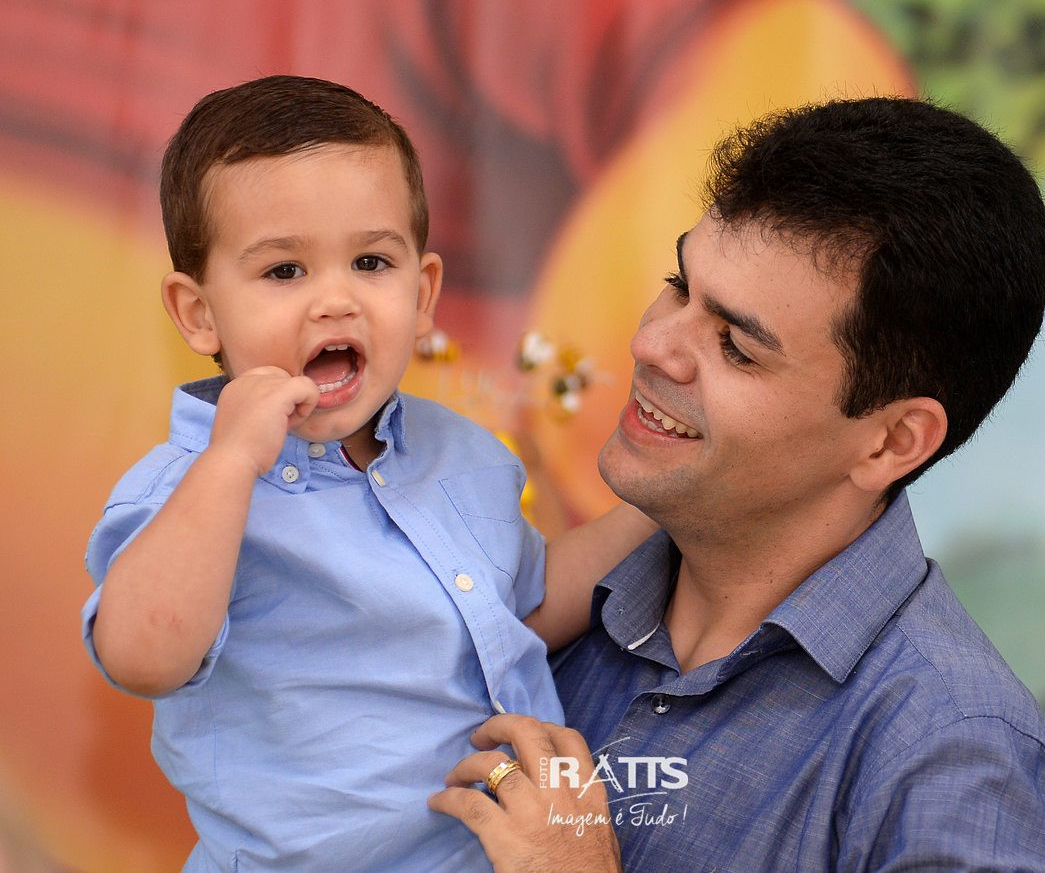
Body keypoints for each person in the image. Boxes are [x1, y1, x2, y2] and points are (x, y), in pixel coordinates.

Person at [430, 97, 1045, 870]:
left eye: (735, 347)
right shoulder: (552, 612)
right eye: (678, 285)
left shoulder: (956, 759)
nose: (652, 344)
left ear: (890, 441)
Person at [81, 75, 651, 871]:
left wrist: (661, 510)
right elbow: (144, 657)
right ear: (199, 313)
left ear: (422, 295)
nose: (336, 300)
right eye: (284, 271)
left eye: (370, 262)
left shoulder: (466, 454)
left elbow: (522, 607)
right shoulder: (193, 486)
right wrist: (232, 462)